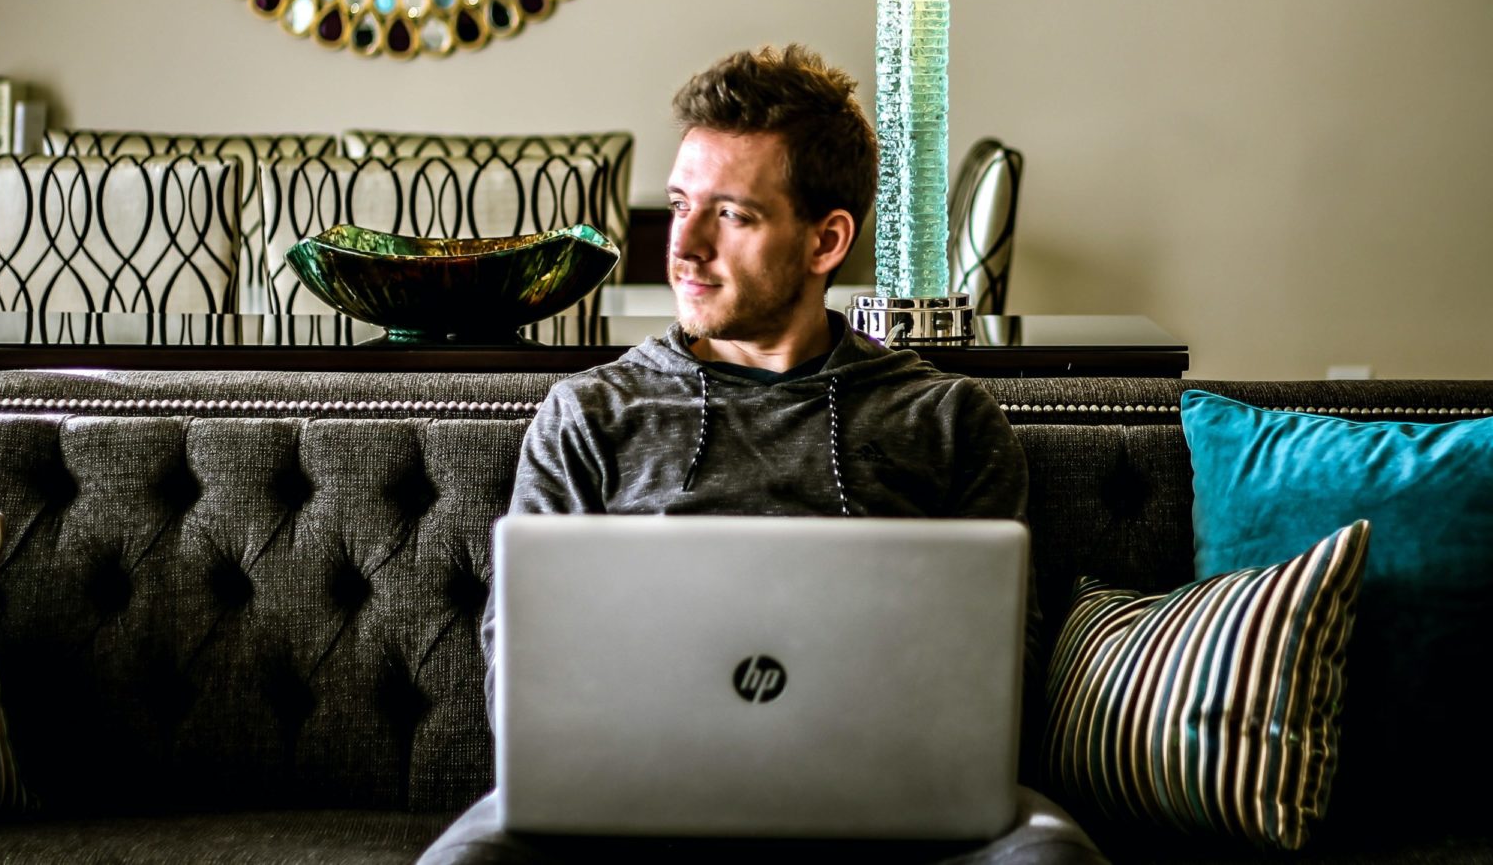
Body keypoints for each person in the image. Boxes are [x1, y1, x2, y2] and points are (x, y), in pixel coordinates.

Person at [417, 45, 1108, 865]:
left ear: (825, 242)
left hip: (899, 810)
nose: (684, 247)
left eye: (732, 215)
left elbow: (1005, 691)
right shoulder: (590, 414)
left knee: (1049, 856)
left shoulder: (947, 418)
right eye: (680, 204)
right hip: (626, 810)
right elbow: (518, 692)